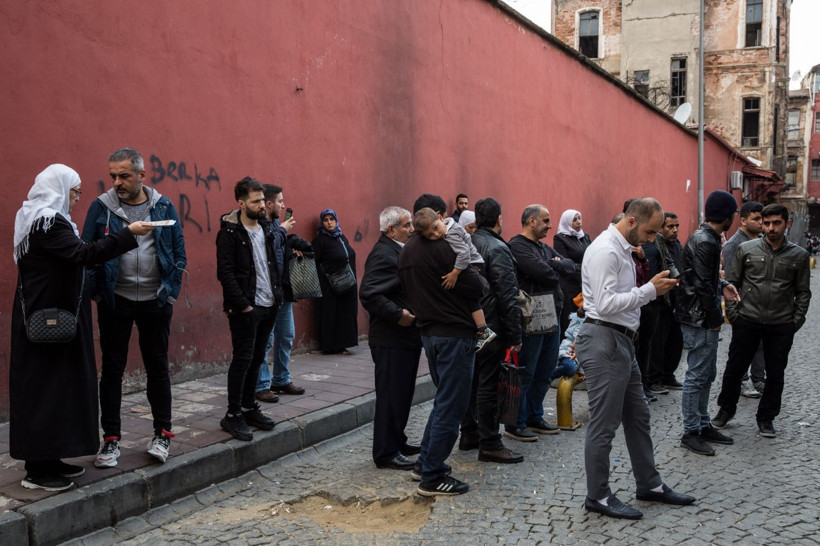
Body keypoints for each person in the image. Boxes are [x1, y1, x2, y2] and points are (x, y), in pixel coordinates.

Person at [11, 164, 155, 491]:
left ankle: (50, 457)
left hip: (50, 317)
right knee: (45, 392)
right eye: (74, 191)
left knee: (56, 389)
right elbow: (83, 254)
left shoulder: (40, 218)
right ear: (60, 188)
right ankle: (38, 470)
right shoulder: (48, 222)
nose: (77, 198)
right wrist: (127, 234)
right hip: (48, 320)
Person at [576, 197, 694, 520]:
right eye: (649, 231)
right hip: (605, 339)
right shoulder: (605, 251)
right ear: (631, 221)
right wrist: (650, 291)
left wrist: (650, 289)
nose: (651, 239)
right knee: (604, 424)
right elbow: (604, 303)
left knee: (639, 416)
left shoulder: (623, 249)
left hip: (621, 342)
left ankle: (649, 484)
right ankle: (597, 495)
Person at [82, 147, 187, 467]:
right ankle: (111, 440)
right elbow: (87, 254)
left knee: (158, 367)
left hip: (156, 300)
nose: (117, 182)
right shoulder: (101, 209)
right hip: (116, 301)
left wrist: (169, 293)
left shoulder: (164, 205)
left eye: (124, 175)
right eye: (113, 175)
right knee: (112, 370)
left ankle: (162, 435)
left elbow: (179, 253)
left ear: (142, 175)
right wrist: (98, 295)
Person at [398, 193, 484, 497]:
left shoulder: (407, 250)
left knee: (442, 400)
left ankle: (425, 462)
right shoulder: (443, 248)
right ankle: (432, 477)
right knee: (452, 404)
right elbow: (476, 286)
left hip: (429, 333)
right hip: (454, 334)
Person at [713, 204, 811, 438]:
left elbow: (803, 292)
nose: (770, 228)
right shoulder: (747, 249)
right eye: (766, 223)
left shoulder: (799, 255)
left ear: (786, 224)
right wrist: (735, 316)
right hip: (747, 320)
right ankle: (725, 410)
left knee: (775, 374)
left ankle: (766, 418)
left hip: (780, 325)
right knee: (734, 369)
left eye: (776, 223)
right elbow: (732, 284)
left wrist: (794, 321)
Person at [216, 177, 283, 441]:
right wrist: (243, 305)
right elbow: (225, 272)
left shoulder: (266, 228)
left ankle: (248, 407)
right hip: (246, 308)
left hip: (269, 304)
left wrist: (277, 296)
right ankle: (232, 415)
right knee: (242, 360)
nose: (262, 206)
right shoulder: (229, 233)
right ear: (241, 203)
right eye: (256, 201)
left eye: (262, 200)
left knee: (257, 359)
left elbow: (272, 264)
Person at [458, 197, 524, 464]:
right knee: (488, 385)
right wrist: (515, 335)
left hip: (471, 323)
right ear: (499, 219)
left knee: (473, 383)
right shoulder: (497, 247)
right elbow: (507, 295)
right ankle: (490, 442)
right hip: (491, 326)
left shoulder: (470, 242)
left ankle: (470, 433)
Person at [675, 190, 740, 456]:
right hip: (699, 319)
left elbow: (703, 277)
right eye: (734, 215)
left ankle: (702, 425)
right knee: (697, 375)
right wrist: (715, 319)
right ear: (726, 216)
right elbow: (701, 283)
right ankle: (691, 431)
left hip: (699, 315)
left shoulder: (708, 238)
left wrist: (722, 284)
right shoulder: (706, 241)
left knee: (706, 374)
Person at [359, 206, 421, 470]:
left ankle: (397, 440)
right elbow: (370, 294)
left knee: (402, 393)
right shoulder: (384, 254)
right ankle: (385, 452)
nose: (412, 229)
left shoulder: (398, 249)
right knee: (391, 395)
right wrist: (398, 315)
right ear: (391, 229)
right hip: (392, 337)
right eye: (407, 225)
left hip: (404, 337)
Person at [507, 205, 575, 441]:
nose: (549, 225)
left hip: (552, 315)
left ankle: (535, 416)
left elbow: (569, 267)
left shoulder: (544, 247)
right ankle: (516, 422)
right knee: (527, 371)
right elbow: (543, 272)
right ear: (532, 221)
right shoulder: (517, 246)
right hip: (531, 316)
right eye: (546, 220)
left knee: (545, 371)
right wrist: (554, 264)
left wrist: (553, 263)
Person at [413, 207, 496, 350]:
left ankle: (484, 331)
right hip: (470, 263)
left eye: (435, 228)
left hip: (474, 264)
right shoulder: (446, 229)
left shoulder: (452, 233)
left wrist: (455, 273)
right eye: (430, 235)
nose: (436, 234)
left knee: (472, 300)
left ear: (440, 218)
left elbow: (464, 254)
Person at [254, 184, 305, 403]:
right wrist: (283, 231)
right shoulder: (259, 224)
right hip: (267, 293)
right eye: (280, 201)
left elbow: (279, 250)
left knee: (286, 336)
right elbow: (268, 248)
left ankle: (281, 379)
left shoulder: (276, 223)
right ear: (268, 203)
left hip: (283, 291)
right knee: (266, 340)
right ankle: (261, 385)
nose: (283, 205)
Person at [720, 201, 765, 398]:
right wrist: (732, 310)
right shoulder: (734, 245)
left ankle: (758, 379)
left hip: (761, 304)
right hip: (741, 304)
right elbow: (729, 279)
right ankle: (742, 380)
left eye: (761, 218)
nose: (760, 223)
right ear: (743, 220)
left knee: (760, 344)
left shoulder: (764, 241)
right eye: (756, 219)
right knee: (741, 345)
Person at [645, 213, 685, 392]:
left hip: (675, 300)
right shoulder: (655, 244)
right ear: (661, 228)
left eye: (676, 226)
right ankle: (654, 379)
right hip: (659, 300)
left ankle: (668, 375)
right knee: (657, 343)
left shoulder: (676, 245)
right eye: (670, 226)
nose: (675, 230)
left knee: (675, 341)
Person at [312, 209, 358, 354]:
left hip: (347, 283)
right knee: (331, 314)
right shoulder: (320, 241)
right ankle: (330, 346)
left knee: (346, 313)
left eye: (332, 219)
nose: (329, 222)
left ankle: (344, 344)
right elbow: (314, 262)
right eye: (326, 220)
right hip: (330, 286)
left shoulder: (341, 237)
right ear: (322, 223)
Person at [553, 209, 591, 333]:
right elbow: (564, 265)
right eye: (574, 220)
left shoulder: (585, 237)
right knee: (570, 324)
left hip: (585, 285)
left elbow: (592, 257)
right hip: (569, 287)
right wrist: (584, 267)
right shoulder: (560, 239)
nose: (578, 222)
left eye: (579, 218)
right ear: (567, 222)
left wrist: (579, 266)